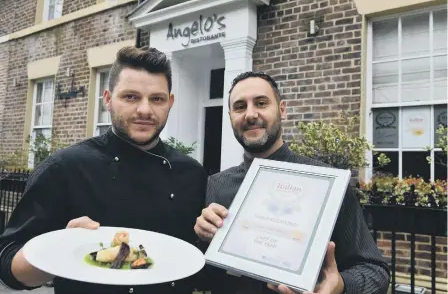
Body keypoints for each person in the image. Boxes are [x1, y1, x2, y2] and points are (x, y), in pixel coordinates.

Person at [0, 46, 208, 294]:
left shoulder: (192, 173)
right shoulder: (65, 167)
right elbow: (7, 267)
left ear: (170, 103)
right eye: (130, 97)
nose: (145, 110)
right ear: (108, 99)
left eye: (157, 99)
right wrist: (58, 247)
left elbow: (199, 264)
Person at [194, 71, 390, 294]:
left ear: (282, 109)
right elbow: (203, 278)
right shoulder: (216, 185)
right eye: (240, 107)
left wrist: (341, 285)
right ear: (230, 116)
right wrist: (202, 239)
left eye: (261, 103)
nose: (250, 114)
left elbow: (376, 271)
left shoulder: (325, 183)